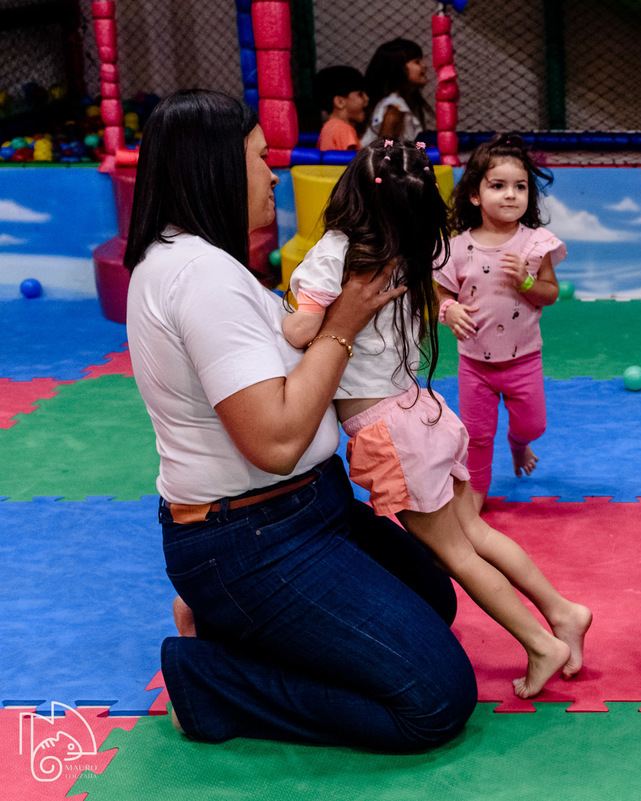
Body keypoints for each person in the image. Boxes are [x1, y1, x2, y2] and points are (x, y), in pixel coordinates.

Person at [123, 89, 476, 750]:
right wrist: (345, 323)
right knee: (436, 699)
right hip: (255, 536)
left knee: (434, 597)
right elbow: (277, 440)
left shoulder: (201, 262)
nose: (273, 174)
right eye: (260, 157)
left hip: (308, 507)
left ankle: (227, 621)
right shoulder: (200, 275)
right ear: (216, 166)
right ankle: (210, 678)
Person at [283, 139, 590, 699]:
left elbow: (302, 330)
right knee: (475, 532)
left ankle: (541, 643)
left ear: (348, 192)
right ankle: (563, 611)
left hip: (388, 430)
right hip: (423, 411)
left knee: (453, 554)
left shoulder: (336, 252)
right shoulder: (409, 249)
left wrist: (279, 314)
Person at [436, 134, 565, 513]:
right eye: (498, 186)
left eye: (520, 187)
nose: (511, 195)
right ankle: (476, 494)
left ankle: (518, 442)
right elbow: (442, 292)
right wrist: (449, 310)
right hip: (474, 363)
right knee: (477, 436)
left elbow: (550, 293)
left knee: (533, 425)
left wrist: (525, 282)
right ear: (475, 195)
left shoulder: (535, 244)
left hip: (523, 360)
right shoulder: (457, 248)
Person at [360, 37, 430, 147]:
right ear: (399, 68)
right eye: (417, 62)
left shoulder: (399, 103)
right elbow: (384, 150)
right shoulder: (395, 108)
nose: (424, 66)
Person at [315, 65, 367, 151]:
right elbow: (354, 159)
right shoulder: (342, 129)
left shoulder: (330, 127)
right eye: (360, 94)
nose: (366, 99)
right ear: (339, 102)